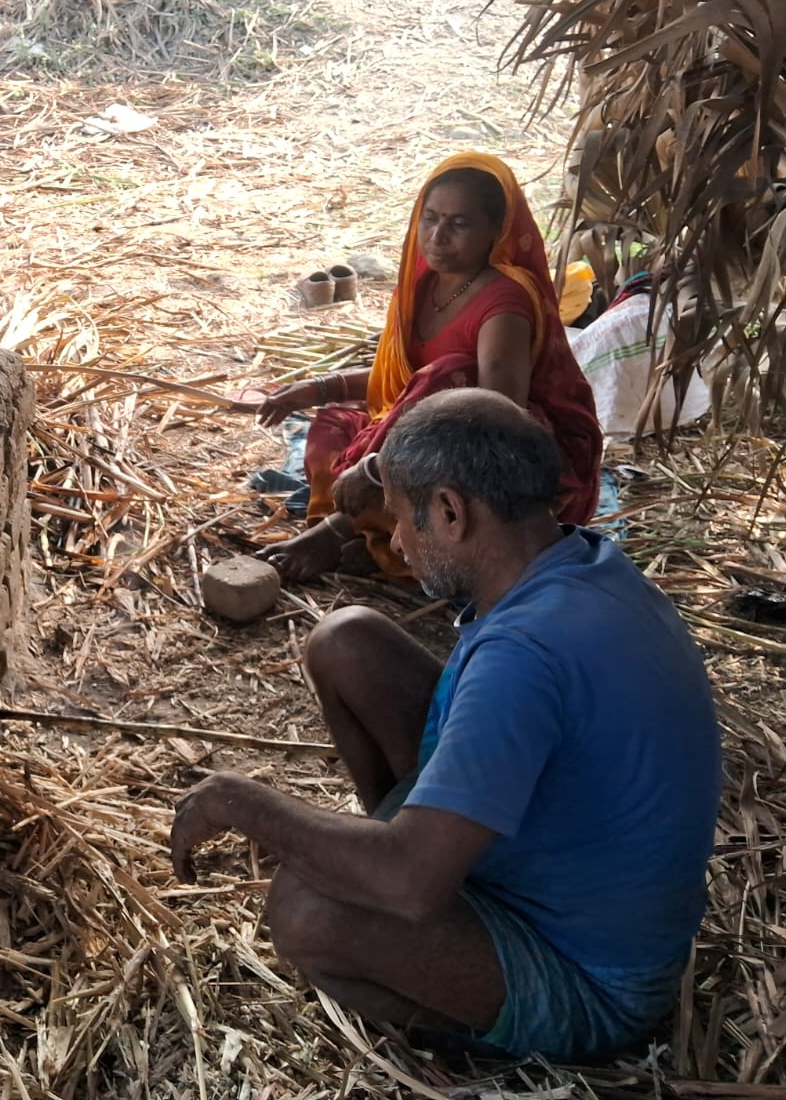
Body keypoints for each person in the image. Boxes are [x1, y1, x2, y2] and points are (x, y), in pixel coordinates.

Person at [172, 390, 721, 1061]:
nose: (398, 541)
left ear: (453, 512)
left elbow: (408, 885)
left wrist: (241, 803)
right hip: (567, 875)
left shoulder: (524, 657)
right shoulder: (575, 565)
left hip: (593, 980)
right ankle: (411, 852)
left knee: (306, 912)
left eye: (404, 519)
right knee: (347, 640)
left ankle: (477, 1039)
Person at [256, 153, 602, 580]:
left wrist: (377, 468)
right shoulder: (424, 284)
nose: (438, 236)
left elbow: (490, 418)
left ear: (497, 230)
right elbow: (399, 382)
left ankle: (343, 529)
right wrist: (315, 389)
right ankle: (386, 539)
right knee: (333, 423)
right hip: (429, 430)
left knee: (449, 376)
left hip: (502, 450)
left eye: (459, 224)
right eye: (431, 218)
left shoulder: (505, 304)